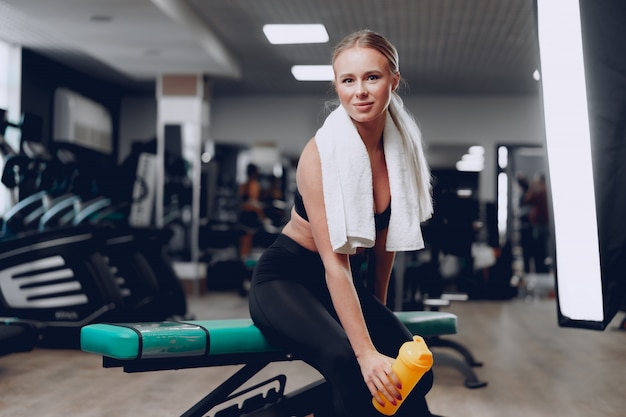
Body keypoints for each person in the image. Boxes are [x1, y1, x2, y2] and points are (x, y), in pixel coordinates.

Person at [249, 30, 438, 416]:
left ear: (393, 80)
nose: (360, 91)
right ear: (336, 85)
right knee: (348, 362)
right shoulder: (319, 156)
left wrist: (378, 313)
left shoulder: (400, 152)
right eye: (347, 80)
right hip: (287, 279)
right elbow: (334, 265)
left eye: (372, 77)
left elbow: (386, 246)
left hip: (344, 283)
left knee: (417, 375)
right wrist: (366, 351)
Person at [238, 163, 267, 259]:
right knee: (247, 239)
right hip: (250, 216)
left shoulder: (243, 185)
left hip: (244, 215)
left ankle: (243, 259)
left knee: (244, 240)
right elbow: (254, 204)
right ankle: (244, 261)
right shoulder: (254, 185)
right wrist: (264, 218)